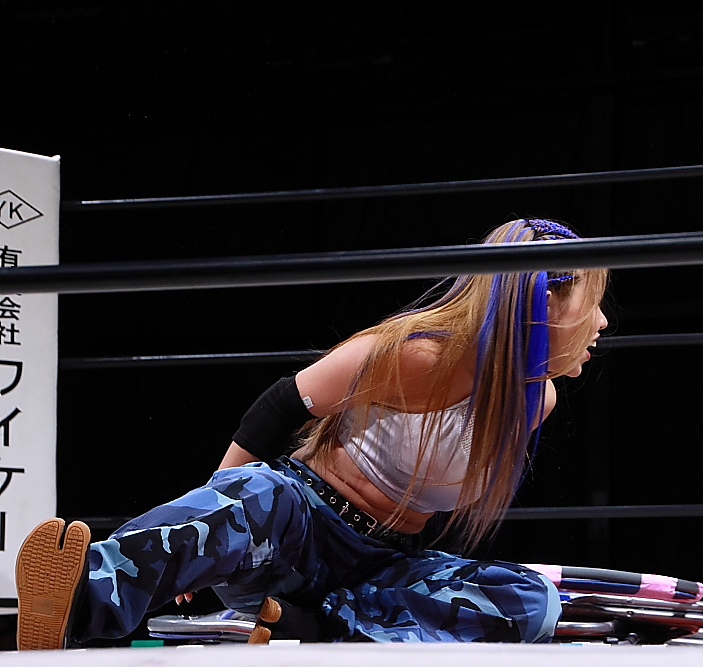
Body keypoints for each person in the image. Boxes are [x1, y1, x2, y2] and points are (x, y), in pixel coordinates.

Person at [15, 218, 609, 649]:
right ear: (543, 301)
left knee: (532, 602)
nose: (602, 323)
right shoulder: (418, 353)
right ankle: (77, 601)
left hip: (375, 574)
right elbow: (279, 406)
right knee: (255, 492)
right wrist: (200, 532)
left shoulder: (536, 401)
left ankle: (311, 625)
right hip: (295, 532)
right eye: (592, 305)